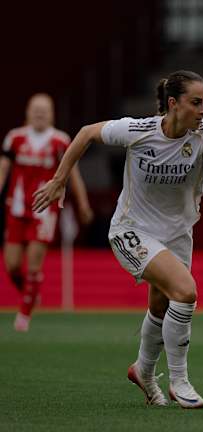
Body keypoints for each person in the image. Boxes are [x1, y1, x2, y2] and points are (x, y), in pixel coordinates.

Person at [32, 70, 203, 408]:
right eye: (196, 102)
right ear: (173, 104)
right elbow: (86, 133)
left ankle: (143, 371)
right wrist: (59, 180)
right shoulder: (138, 130)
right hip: (132, 230)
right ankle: (179, 380)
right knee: (185, 292)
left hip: (177, 234)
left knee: (161, 304)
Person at [0, 93, 93, 332]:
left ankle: (23, 316)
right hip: (16, 207)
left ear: (52, 114)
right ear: (27, 112)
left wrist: (82, 204)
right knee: (11, 264)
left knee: (33, 263)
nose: (39, 114)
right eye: (35, 109)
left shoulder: (61, 141)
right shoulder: (15, 138)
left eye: (44, 110)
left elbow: (73, 175)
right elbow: (3, 169)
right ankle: (30, 293)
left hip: (44, 211)